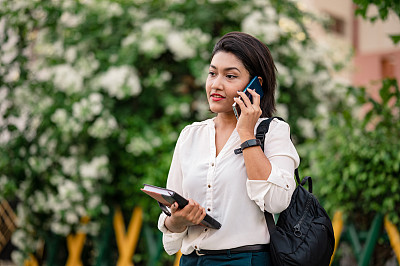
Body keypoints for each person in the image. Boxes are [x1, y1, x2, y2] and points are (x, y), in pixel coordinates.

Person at [158, 31, 300, 265]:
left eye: (230, 76)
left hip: (246, 259)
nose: (216, 84)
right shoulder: (190, 135)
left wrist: (246, 134)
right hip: (192, 260)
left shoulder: (272, 131)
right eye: (212, 73)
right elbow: (170, 220)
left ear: (256, 84)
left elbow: (277, 201)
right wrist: (179, 220)